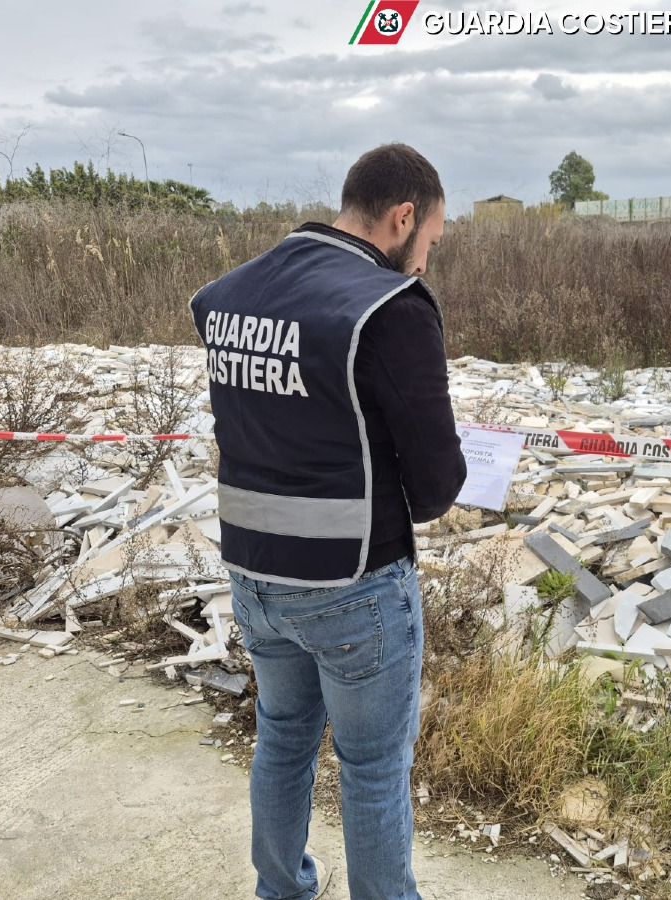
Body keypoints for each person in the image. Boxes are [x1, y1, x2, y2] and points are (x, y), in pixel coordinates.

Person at [189, 143, 467, 900]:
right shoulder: (387, 307)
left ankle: (279, 891)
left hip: (253, 574)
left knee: (282, 740)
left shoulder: (231, 294)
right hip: (356, 584)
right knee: (373, 769)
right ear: (403, 216)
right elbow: (438, 483)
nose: (424, 264)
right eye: (431, 243)